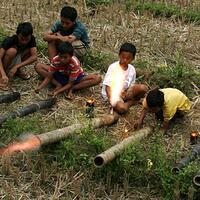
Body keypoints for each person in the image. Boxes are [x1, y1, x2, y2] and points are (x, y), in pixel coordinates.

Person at [35, 42, 101, 98]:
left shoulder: (74, 63)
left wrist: (57, 92)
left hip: (74, 78)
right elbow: (49, 76)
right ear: (58, 54)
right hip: (60, 75)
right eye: (60, 56)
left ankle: (72, 88)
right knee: (38, 66)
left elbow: (70, 83)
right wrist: (40, 87)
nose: (62, 59)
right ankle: (58, 84)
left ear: (71, 56)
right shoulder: (55, 60)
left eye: (65, 57)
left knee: (97, 78)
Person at [101, 42, 148, 114]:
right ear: (119, 55)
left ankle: (130, 100)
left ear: (133, 58)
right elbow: (108, 87)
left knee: (143, 88)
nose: (125, 60)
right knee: (122, 108)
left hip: (125, 93)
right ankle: (132, 102)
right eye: (123, 57)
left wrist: (127, 93)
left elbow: (132, 85)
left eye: (128, 58)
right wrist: (111, 100)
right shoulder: (113, 67)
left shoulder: (132, 69)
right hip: (113, 94)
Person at [0, 22, 37, 88]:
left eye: (27, 39)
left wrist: (16, 67)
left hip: (16, 61)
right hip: (3, 63)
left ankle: (17, 71)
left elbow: (34, 57)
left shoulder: (32, 39)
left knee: (30, 51)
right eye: (22, 39)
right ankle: (3, 74)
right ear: (17, 34)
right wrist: (3, 74)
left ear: (31, 35)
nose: (24, 42)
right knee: (12, 51)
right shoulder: (10, 40)